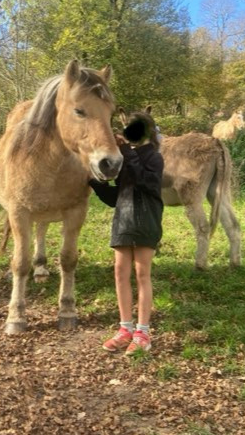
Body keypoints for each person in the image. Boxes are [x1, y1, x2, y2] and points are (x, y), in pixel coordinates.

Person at [89, 110, 164, 355]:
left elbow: (145, 182)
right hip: (123, 219)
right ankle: (125, 329)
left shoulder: (154, 158)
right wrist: (95, 183)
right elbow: (116, 198)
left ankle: (143, 333)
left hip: (146, 220)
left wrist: (128, 151)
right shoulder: (124, 158)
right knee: (120, 273)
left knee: (142, 274)